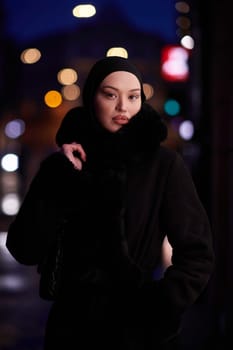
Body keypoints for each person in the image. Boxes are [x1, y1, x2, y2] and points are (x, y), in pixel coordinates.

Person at [6, 56, 215, 350]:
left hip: (140, 335)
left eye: (133, 97)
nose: (123, 107)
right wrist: (59, 181)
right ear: (92, 97)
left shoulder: (162, 165)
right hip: (71, 333)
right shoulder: (64, 164)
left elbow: (198, 254)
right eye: (110, 95)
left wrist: (160, 307)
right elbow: (24, 249)